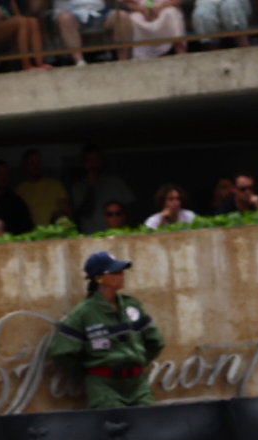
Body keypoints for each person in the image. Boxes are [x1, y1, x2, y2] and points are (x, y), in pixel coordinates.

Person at [49, 251, 165, 409]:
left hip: (137, 383)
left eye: (122, 271)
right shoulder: (84, 313)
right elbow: (62, 352)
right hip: (104, 386)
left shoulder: (131, 306)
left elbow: (155, 342)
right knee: (114, 422)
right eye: (115, 272)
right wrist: (92, 369)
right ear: (99, 278)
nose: (122, 275)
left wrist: (135, 359)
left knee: (148, 420)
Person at [70, 145, 135, 232]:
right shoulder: (78, 187)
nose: (92, 164)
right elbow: (83, 213)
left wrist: (129, 232)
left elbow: (129, 210)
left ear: (101, 161)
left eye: (95, 160)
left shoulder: (116, 182)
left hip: (117, 234)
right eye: (88, 160)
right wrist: (91, 187)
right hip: (91, 235)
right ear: (84, 163)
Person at [0, 0, 51, 70]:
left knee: (33, 21)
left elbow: (14, 10)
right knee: (21, 22)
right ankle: (26, 65)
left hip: (5, 20)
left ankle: (39, 63)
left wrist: (19, 16)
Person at [111, 0, 187, 59]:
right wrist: (142, 10)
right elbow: (126, 3)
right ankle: (140, 57)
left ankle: (181, 52)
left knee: (171, 13)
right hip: (140, 11)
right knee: (134, 18)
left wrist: (161, 7)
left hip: (165, 8)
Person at [15, 149, 72, 226]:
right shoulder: (20, 190)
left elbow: (66, 211)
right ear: (25, 165)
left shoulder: (55, 185)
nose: (36, 166)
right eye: (32, 163)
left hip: (55, 232)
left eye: (39, 162)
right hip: (31, 232)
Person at [52, 0, 109, 64]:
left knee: (118, 14)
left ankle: (119, 58)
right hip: (70, 11)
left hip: (101, 11)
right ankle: (80, 62)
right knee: (65, 18)